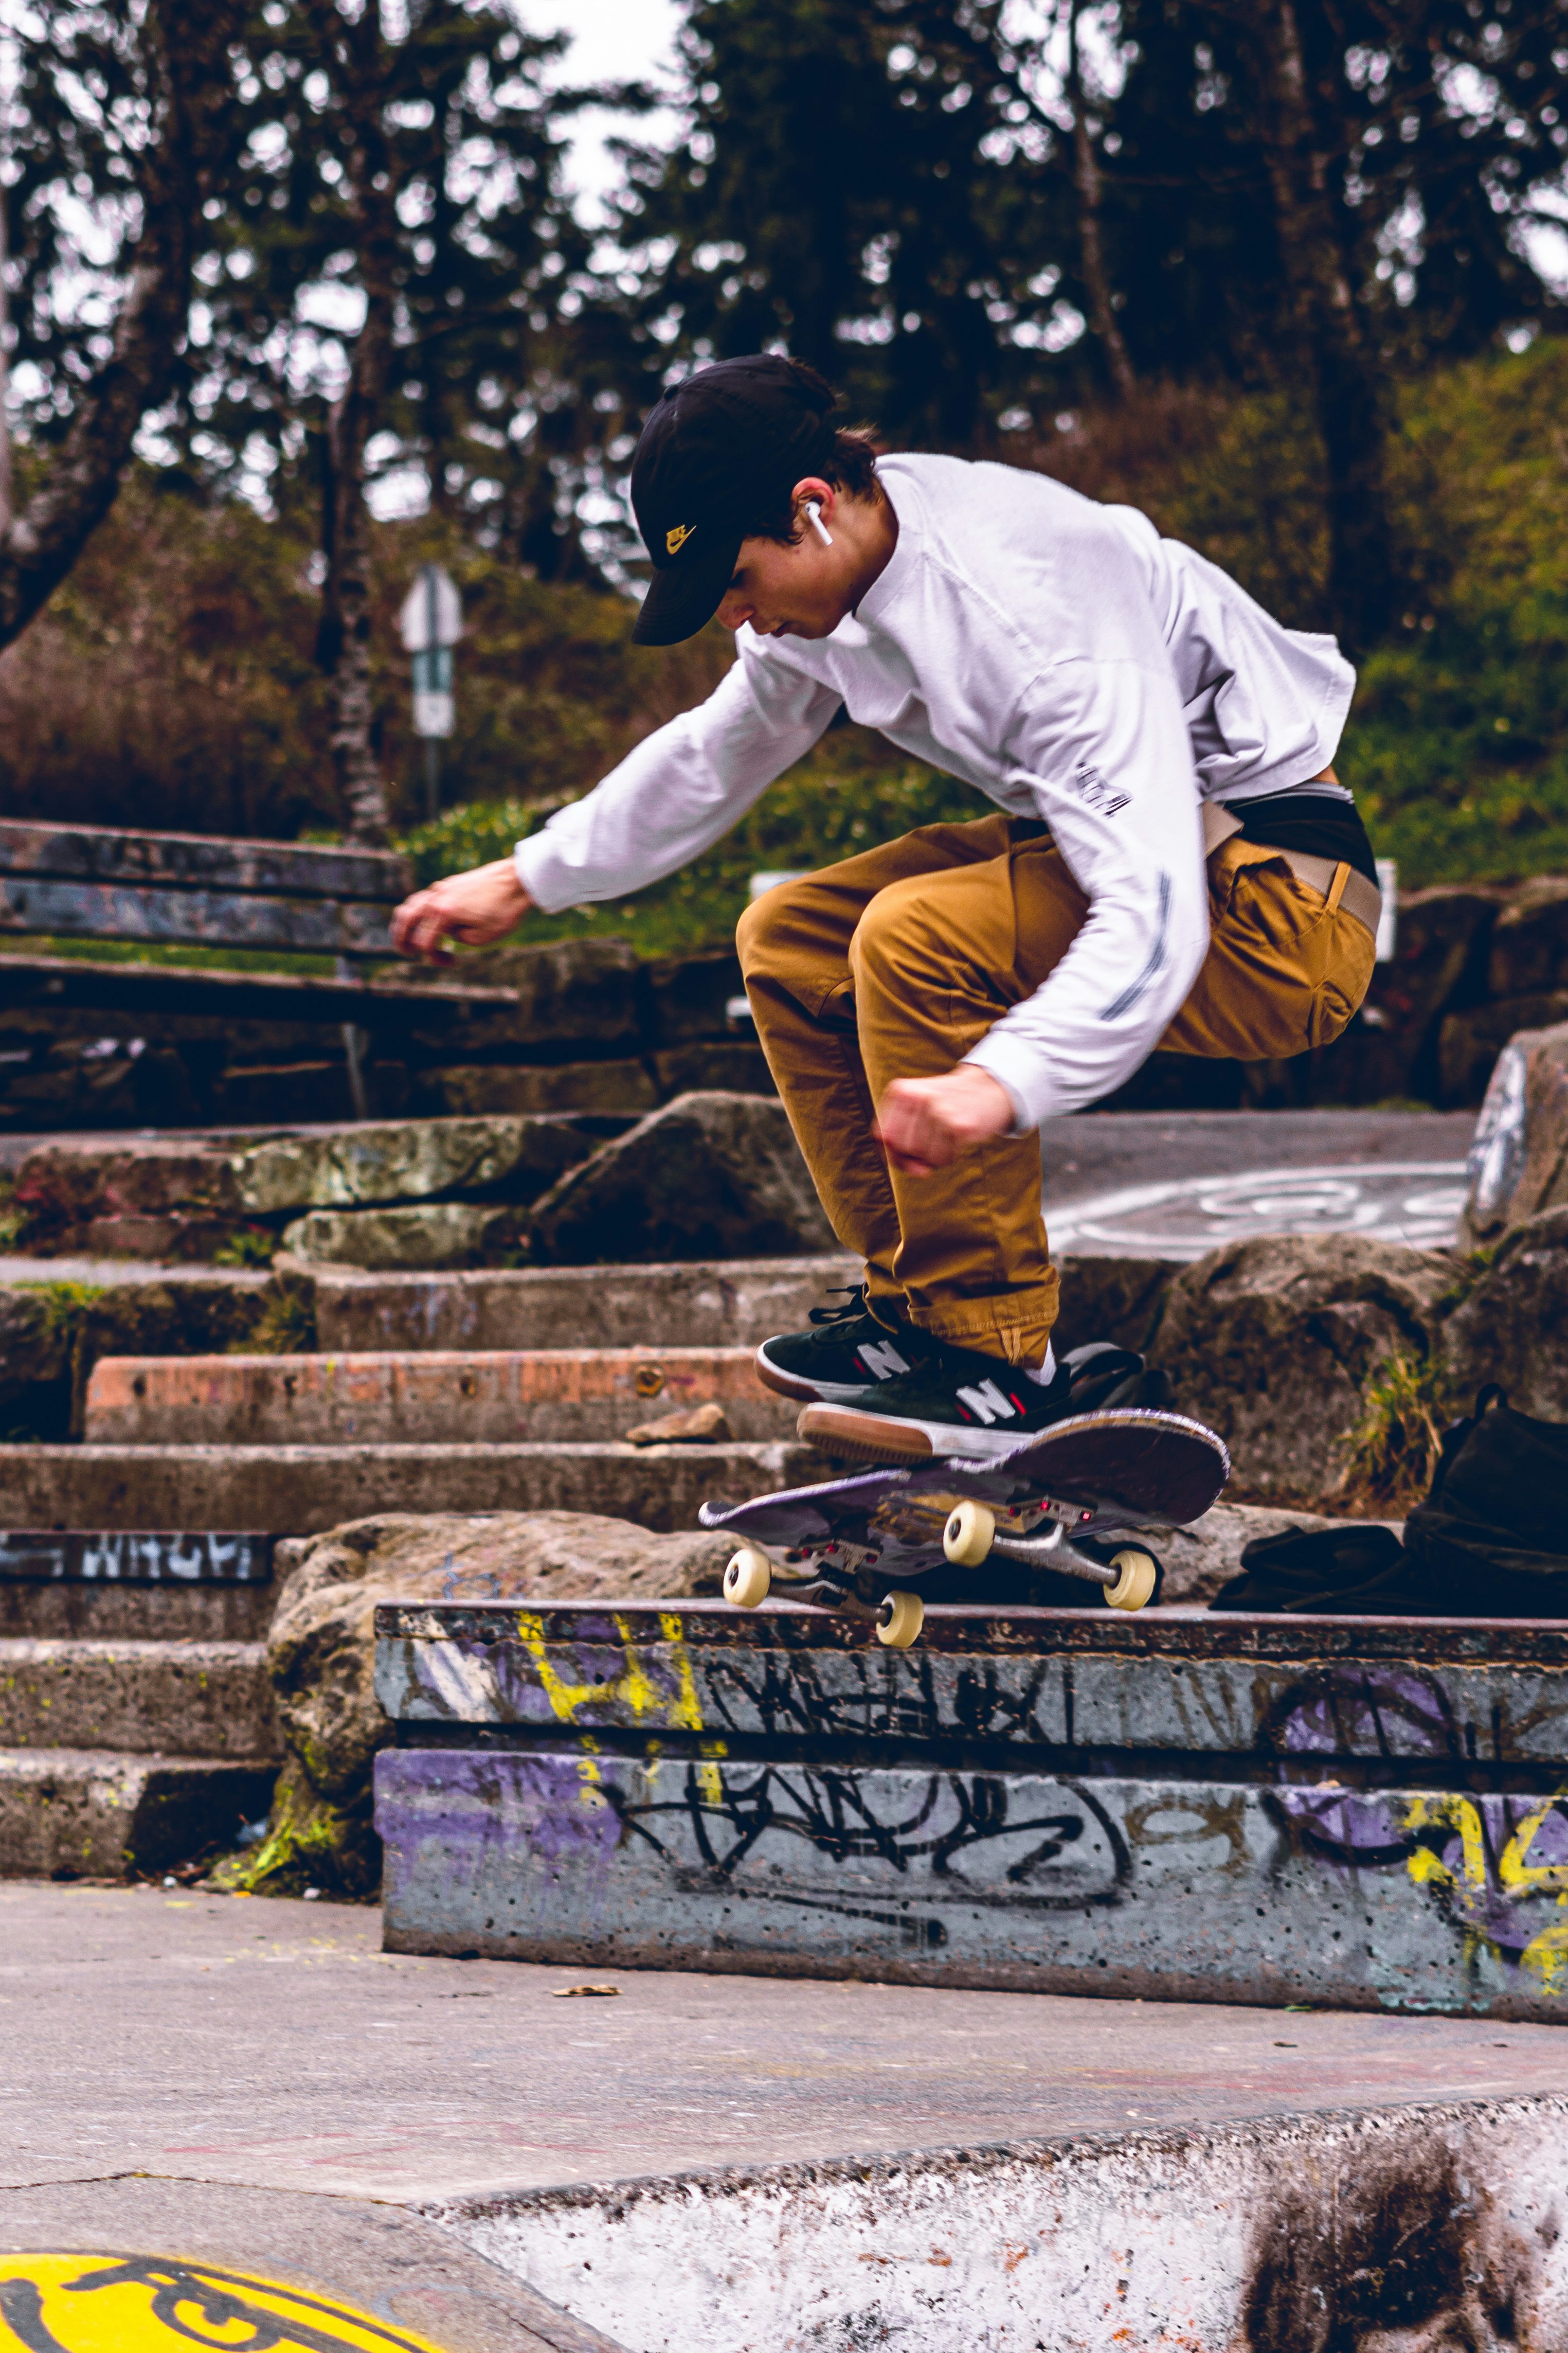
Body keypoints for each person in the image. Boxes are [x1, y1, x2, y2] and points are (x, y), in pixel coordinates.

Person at [391, 354, 1379, 1464]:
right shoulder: (839, 575)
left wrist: (1000, 1079)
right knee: (791, 939)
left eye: (737, 578)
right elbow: (718, 751)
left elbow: (1152, 914)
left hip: (1277, 917)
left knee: (911, 939)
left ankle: (996, 1359)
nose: (738, 616)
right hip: (1162, 849)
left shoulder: (1027, 607)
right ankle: (917, 1316)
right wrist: (529, 875)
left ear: (810, 509)